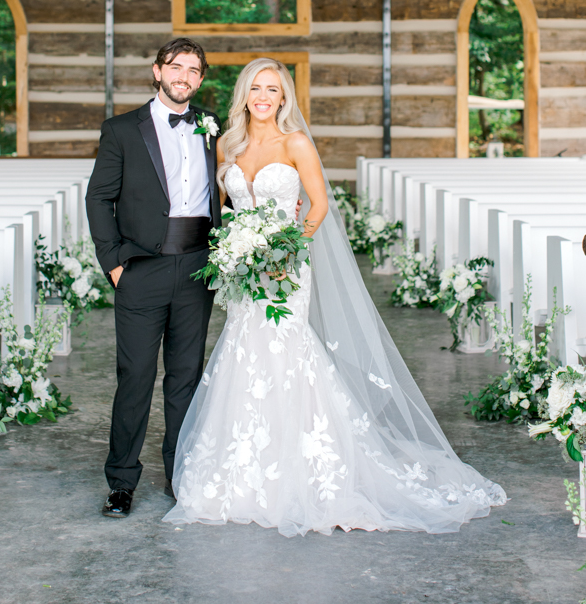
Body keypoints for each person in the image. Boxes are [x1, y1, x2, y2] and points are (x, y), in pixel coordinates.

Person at [164, 58, 506, 537]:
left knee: (285, 349)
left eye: (273, 89)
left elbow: (319, 204)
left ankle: (305, 470)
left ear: (284, 98)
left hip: (286, 269)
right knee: (245, 351)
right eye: (255, 88)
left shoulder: (296, 142)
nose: (263, 96)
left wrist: (289, 250)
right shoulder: (227, 145)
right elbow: (219, 207)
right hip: (245, 273)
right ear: (244, 94)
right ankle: (245, 468)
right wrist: (234, 251)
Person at [86, 37, 221, 517]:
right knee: (135, 378)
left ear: (200, 78)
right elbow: (99, 198)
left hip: (197, 267)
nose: (184, 76)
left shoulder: (213, 127)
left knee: (185, 378)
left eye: (194, 70)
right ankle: (121, 482)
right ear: (157, 70)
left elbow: (226, 189)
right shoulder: (122, 129)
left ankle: (181, 475)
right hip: (141, 269)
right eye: (176, 67)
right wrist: (115, 264)